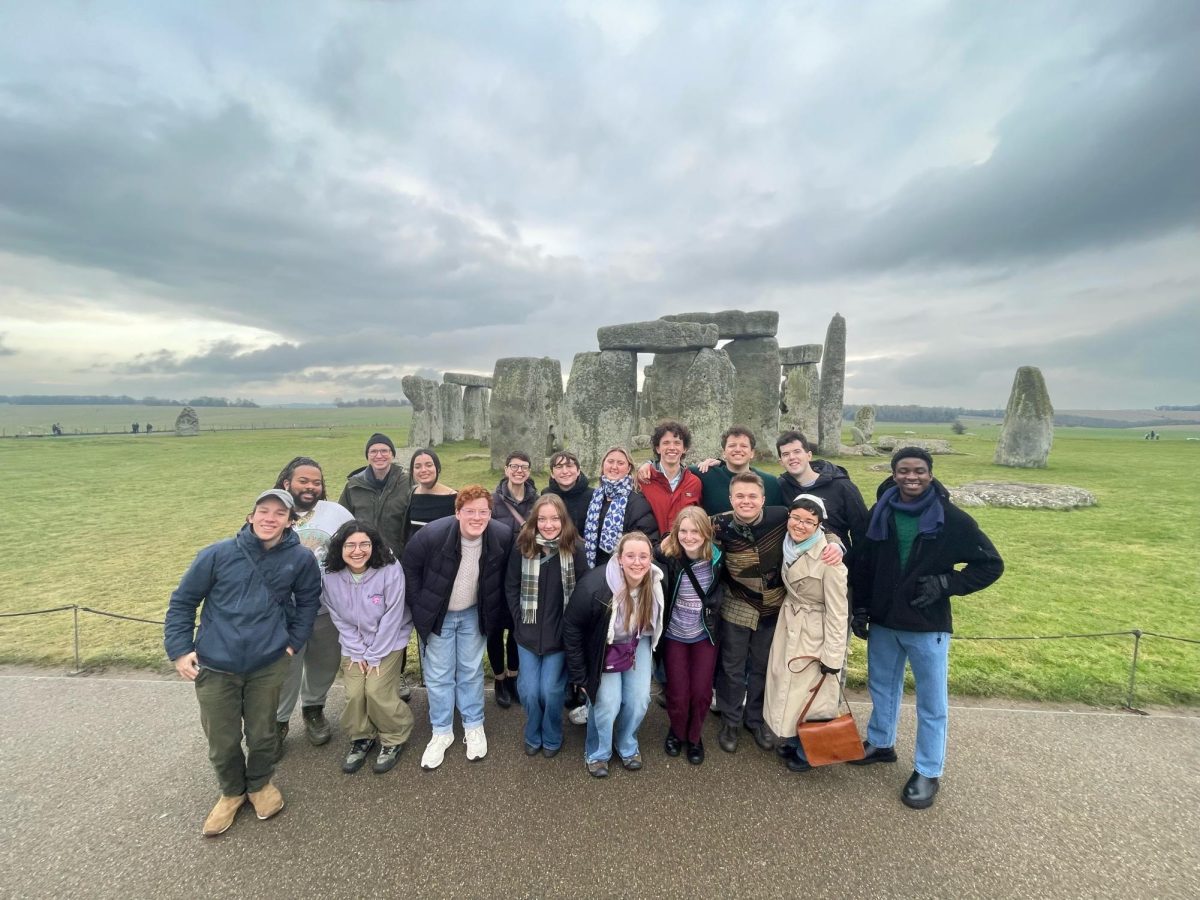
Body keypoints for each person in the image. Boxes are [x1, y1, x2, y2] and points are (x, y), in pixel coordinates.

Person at [849, 447, 1004, 810]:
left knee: (931, 702)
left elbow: (991, 564)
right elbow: (865, 565)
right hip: (885, 619)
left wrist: (947, 583)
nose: (911, 477)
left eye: (919, 471)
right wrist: (861, 608)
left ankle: (928, 769)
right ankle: (881, 742)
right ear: (894, 474)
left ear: (930, 474)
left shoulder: (952, 519)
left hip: (926, 621)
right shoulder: (881, 514)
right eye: (904, 471)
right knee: (882, 687)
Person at [163, 489, 321, 837]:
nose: (270, 518)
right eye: (263, 511)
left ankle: (260, 784)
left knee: (264, 732)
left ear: (290, 521)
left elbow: (309, 602)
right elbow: (183, 602)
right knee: (222, 737)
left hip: (268, 662)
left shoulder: (301, 559)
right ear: (250, 516)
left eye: (279, 514)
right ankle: (231, 792)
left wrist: (293, 643)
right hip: (217, 663)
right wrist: (179, 649)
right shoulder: (217, 555)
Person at [710, 473, 843, 754]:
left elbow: (814, 521)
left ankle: (755, 719)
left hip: (773, 609)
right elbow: (687, 531)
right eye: (740, 496)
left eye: (752, 496)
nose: (746, 501)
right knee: (732, 669)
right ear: (731, 498)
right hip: (737, 606)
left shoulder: (781, 517)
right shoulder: (718, 523)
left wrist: (834, 542)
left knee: (762, 668)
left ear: (763, 499)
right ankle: (731, 721)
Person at [401, 485, 513, 770]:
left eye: (483, 512)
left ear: (491, 513)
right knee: (438, 674)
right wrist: (421, 608)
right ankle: (441, 731)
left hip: (473, 614)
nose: (477, 518)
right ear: (457, 512)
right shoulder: (431, 535)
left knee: (470, 670)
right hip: (439, 615)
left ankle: (473, 725)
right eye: (470, 511)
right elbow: (410, 570)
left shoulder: (500, 535)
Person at [563, 531, 665, 778]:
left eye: (643, 556)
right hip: (603, 646)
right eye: (630, 556)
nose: (637, 562)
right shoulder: (594, 586)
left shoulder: (657, 580)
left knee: (639, 699)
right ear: (619, 558)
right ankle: (598, 752)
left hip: (636, 640)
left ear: (651, 558)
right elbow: (572, 629)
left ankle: (626, 743)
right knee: (607, 702)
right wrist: (581, 676)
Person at [272, 456, 354, 760]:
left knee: (324, 662)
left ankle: (314, 708)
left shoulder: (336, 512)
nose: (310, 487)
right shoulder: (274, 513)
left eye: (316, 482)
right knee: (285, 667)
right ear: (287, 483)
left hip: (326, 608)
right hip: (285, 611)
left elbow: (358, 542)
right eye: (303, 481)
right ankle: (278, 722)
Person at [762, 495, 849, 773]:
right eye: (796, 518)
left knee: (814, 693)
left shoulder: (829, 559)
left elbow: (838, 612)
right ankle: (790, 735)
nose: (800, 525)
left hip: (816, 630)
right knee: (787, 686)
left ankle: (810, 747)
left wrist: (833, 656)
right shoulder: (787, 545)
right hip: (789, 621)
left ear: (819, 525)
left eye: (809, 521)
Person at [322, 520, 414, 775]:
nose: (357, 551)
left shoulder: (390, 569)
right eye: (350, 545)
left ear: (374, 546)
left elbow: (394, 615)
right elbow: (338, 616)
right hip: (354, 646)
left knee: (375, 691)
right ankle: (362, 736)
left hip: (388, 642)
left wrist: (373, 655)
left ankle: (395, 735)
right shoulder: (330, 575)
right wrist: (357, 650)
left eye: (365, 544)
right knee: (354, 693)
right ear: (340, 548)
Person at [505, 494, 589, 758]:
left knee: (551, 691)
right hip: (527, 633)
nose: (549, 524)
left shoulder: (575, 548)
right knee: (529, 691)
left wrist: (572, 627)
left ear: (563, 520)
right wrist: (519, 619)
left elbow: (584, 591)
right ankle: (533, 731)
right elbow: (511, 586)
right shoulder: (523, 546)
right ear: (534, 520)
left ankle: (552, 733)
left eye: (554, 518)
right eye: (542, 518)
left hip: (560, 634)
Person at [655, 506, 723, 765]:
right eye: (683, 531)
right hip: (675, 634)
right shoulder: (667, 556)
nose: (689, 536)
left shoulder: (718, 557)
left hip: (705, 633)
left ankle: (694, 737)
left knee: (702, 691)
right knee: (678, 691)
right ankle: (677, 730)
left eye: (695, 531)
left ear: (706, 532)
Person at [486, 451, 537, 706]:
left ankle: (515, 677)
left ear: (529, 471)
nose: (519, 471)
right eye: (514, 466)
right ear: (506, 469)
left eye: (524, 467)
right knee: (495, 630)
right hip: (496, 573)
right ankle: (499, 678)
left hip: (525, 574)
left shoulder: (536, 501)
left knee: (518, 629)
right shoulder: (493, 502)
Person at [640, 426, 783, 515]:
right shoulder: (705, 473)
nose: (738, 450)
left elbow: (778, 517)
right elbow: (675, 468)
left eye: (744, 446)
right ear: (723, 452)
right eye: (732, 445)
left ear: (752, 453)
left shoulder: (770, 482)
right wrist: (649, 464)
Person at [774, 430, 869, 549]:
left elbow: (861, 530)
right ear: (781, 461)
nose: (792, 457)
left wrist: (857, 565)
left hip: (835, 559)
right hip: (796, 560)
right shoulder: (781, 487)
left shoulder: (842, 486)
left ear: (809, 455)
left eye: (797, 451)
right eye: (786, 454)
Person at [582, 445, 660, 570]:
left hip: (623, 570)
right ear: (603, 465)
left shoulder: (637, 501)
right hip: (591, 566)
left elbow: (647, 540)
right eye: (610, 462)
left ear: (629, 468)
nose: (614, 467)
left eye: (620, 463)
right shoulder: (595, 497)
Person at [338, 433, 413, 560]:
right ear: (367, 456)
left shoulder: (408, 483)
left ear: (392, 454)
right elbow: (341, 521)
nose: (379, 456)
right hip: (361, 557)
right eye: (373, 451)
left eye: (384, 451)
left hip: (398, 558)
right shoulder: (353, 486)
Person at [640, 420, 703, 536]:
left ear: (685, 448)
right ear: (658, 448)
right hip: (652, 549)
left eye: (677, 443)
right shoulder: (643, 479)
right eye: (666, 443)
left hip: (683, 548)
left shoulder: (694, 483)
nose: (672, 447)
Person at [402, 448, 457, 544]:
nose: (423, 470)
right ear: (412, 471)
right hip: (414, 554)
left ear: (437, 468)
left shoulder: (454, 498)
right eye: (417, 467)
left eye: (429, 465)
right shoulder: (411, 494)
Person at [542, 450, 592, 535]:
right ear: (552, 474)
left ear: (578, 471)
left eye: (569, 466)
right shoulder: (546, 495)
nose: (565, 471)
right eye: (559, 467)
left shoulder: (592, 496)